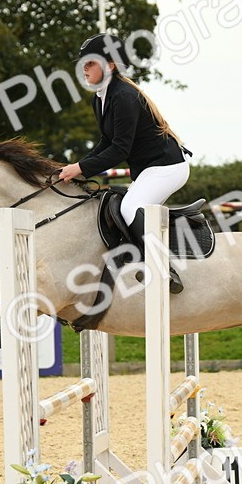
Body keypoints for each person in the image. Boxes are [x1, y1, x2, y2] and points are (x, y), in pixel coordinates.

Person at [57, 32, 191, 293]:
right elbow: (105, 143)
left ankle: (164, 270)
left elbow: (119, 149)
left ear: (110, 65)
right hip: (150, 169)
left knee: (130, 207)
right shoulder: (101, 98)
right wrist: (76, 167)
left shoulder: (123, 96)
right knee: (117, 206)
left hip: (167, 168)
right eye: (82, 63)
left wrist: (81, 168)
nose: (84, 68)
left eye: (90, 62)